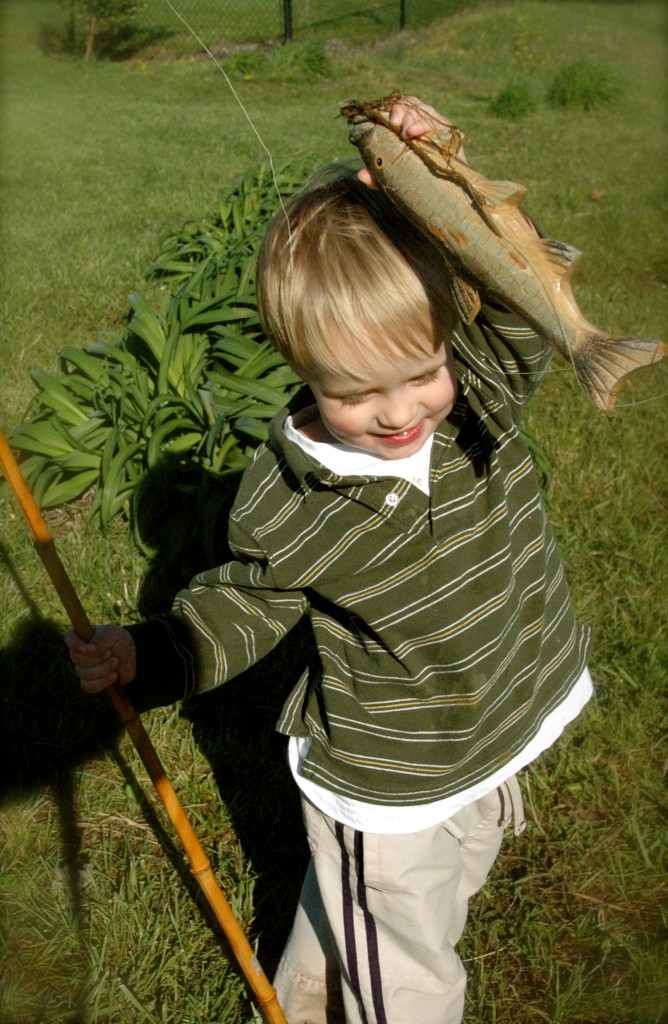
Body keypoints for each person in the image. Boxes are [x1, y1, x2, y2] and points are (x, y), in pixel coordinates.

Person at [67, 97, 593, 1024]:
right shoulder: (294, 494)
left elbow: (524, 291)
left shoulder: (480, 392)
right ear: (301, 366)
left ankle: (307, 996)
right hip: (390, 777)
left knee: (402, 910)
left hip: (490, 724)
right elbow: (248, 603)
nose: (399, 413)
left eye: (419, 372)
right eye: (356, 392)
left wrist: (445, 175)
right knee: (409, 965)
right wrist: (150, 654)